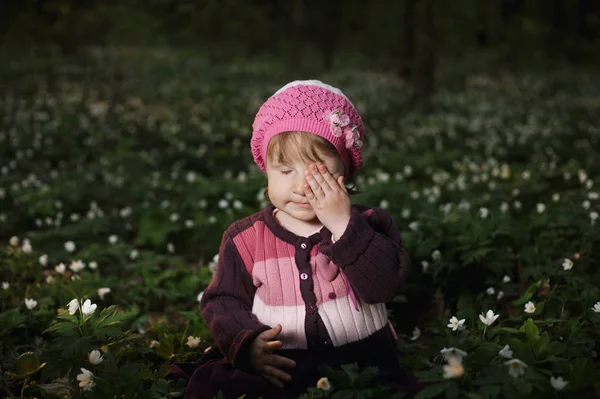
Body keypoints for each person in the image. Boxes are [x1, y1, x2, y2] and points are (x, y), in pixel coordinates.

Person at [169, 80, 417, 399]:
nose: (301, 187)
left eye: (317, 173)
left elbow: (383, 286)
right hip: (281, 366)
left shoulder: (369, 224)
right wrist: (246, 343)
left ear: (345, 170)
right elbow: (222, 300)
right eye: (285, 171)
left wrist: (343, 224)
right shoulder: (245, 239)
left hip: (365, 365)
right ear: (266, 172)